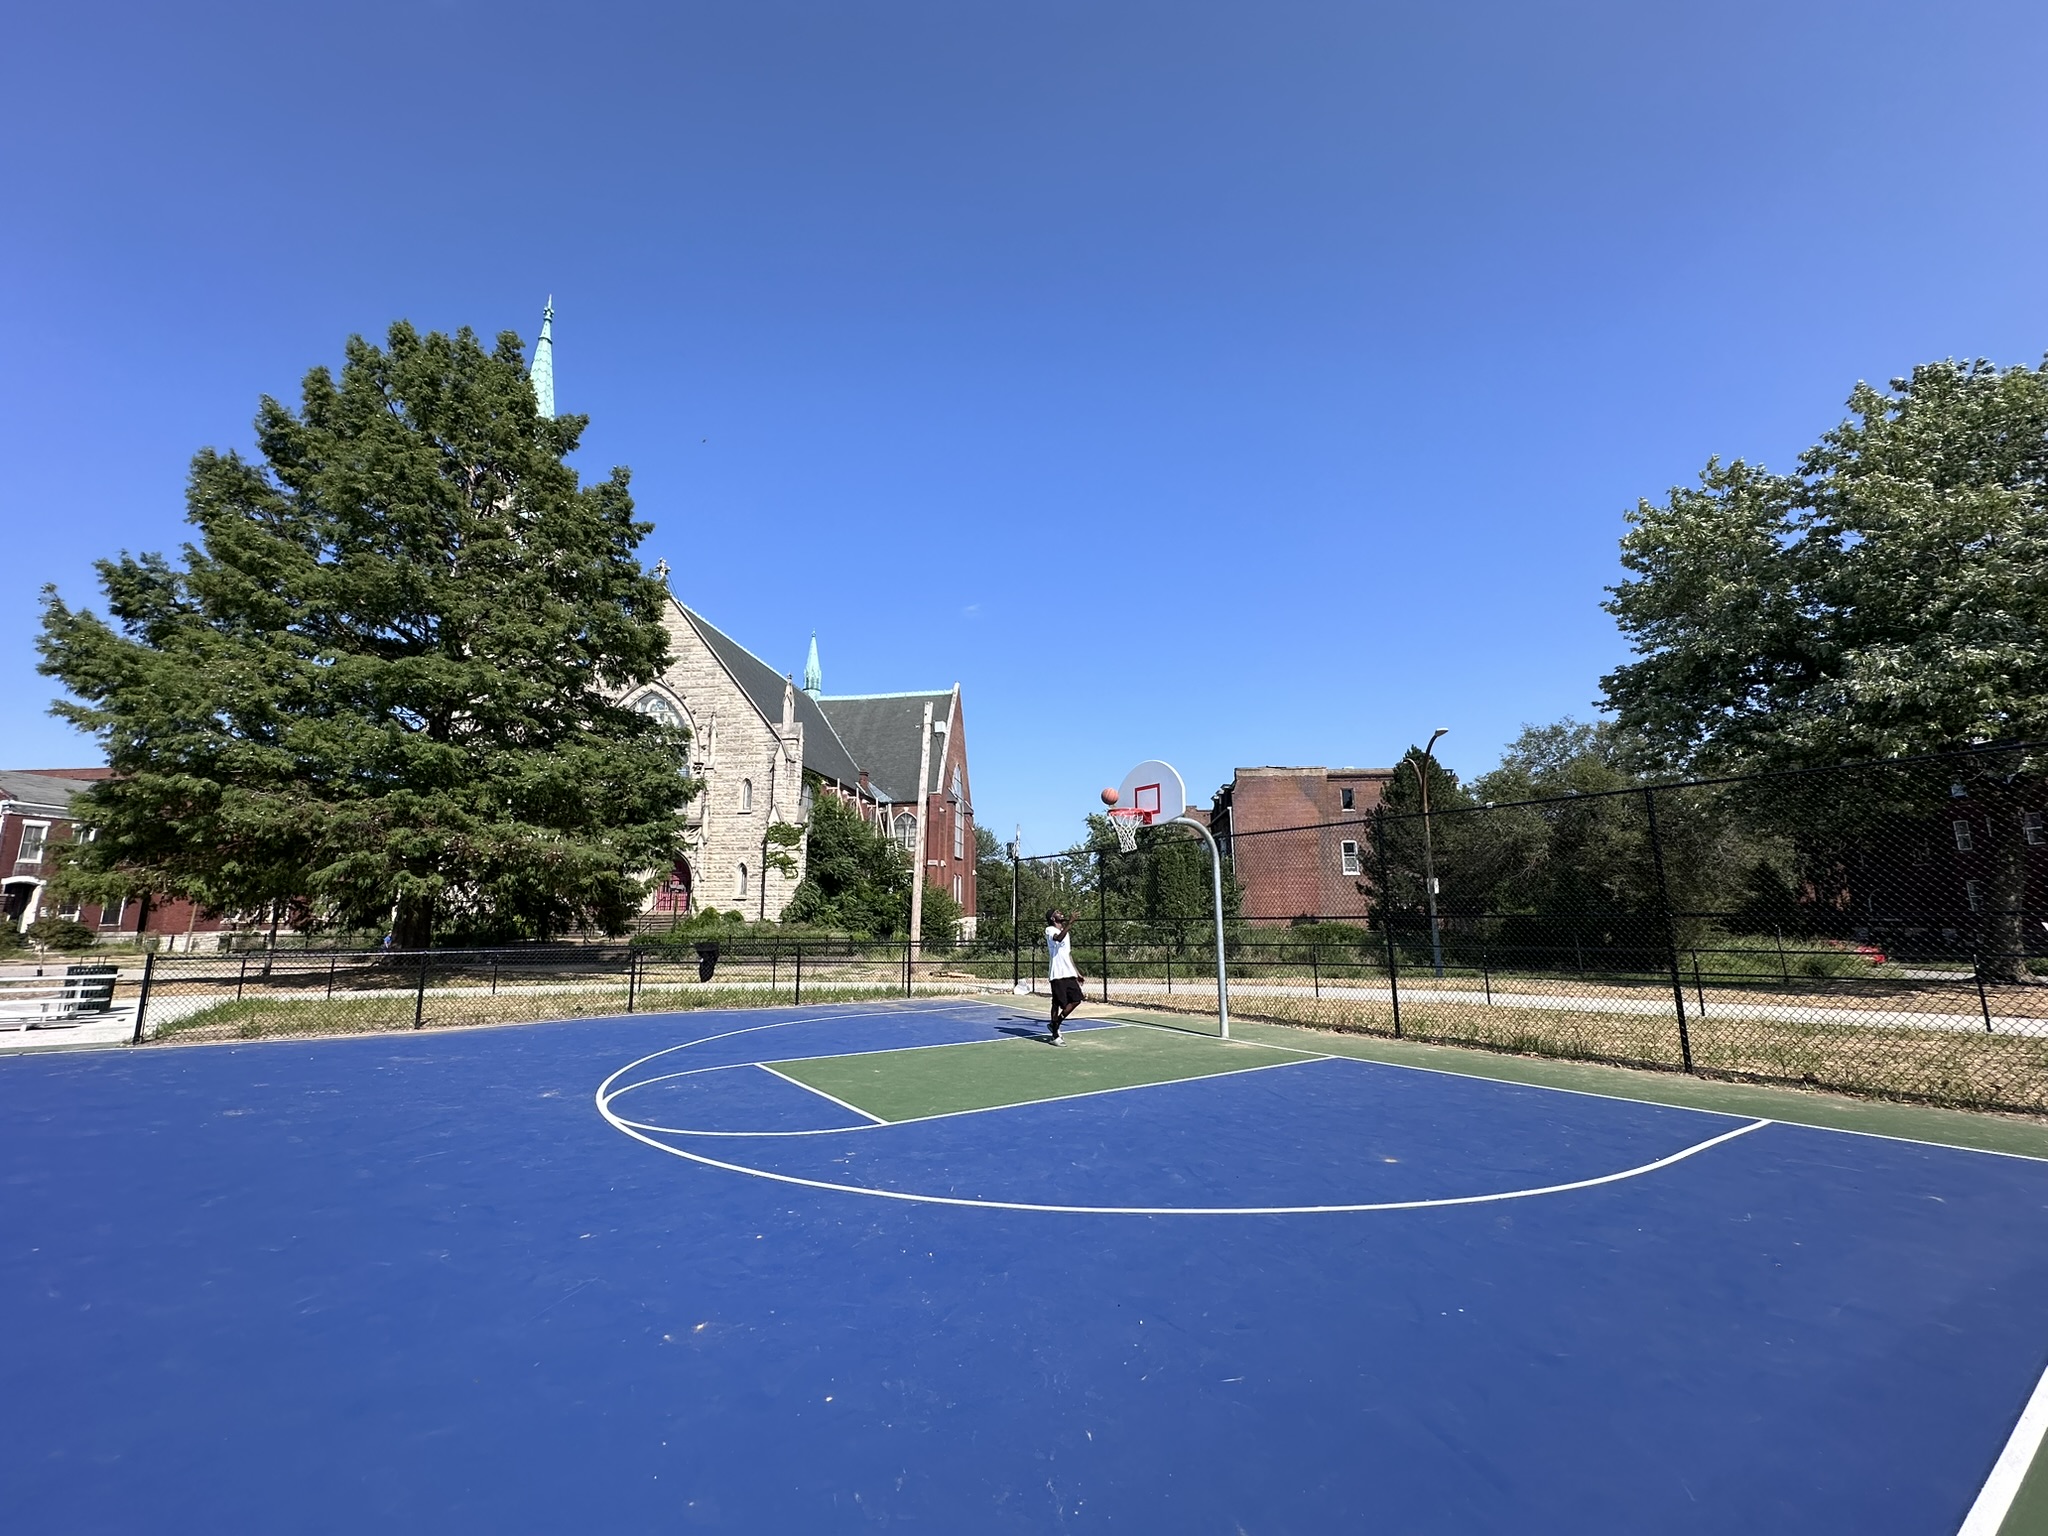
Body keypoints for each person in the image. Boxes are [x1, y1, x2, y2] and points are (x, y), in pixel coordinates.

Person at [1045, 908, 1084, 1044]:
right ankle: (1055, 1036)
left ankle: (1056, 1024)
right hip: (1057, 974)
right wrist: (1070, 923)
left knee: (1076, 1000)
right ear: (1052, 918)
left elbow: (1068, 954)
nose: (1061, 913)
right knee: (1057, 1003)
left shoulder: (1066, 933)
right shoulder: (1050, 930)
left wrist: (1077, 972)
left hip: (1069, 973)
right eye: (1057, 912)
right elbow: (1058, 938)